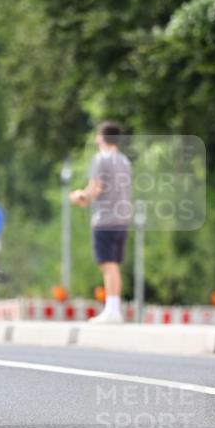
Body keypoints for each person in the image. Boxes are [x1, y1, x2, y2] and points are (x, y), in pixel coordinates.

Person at [70, 120, 132, 324]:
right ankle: (113, 307)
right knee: (114, 264)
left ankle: (112, 309)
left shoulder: (101, 159)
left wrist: (80, 196)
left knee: (107, 264)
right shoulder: (124, 161)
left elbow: (95, 189)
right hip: (122, 218)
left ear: (100, 138)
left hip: (105, 218)